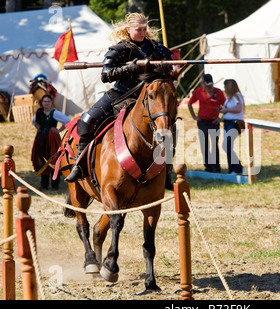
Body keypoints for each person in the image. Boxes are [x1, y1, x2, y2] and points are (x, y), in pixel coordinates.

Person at [65, 12, 173, 183]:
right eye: (138, 29)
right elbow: (106, 75)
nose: (142, 33)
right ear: (129, 29)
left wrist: (166, 66)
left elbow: (169, 67)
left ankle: (167, 168)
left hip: (149, 96)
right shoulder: (120, 49)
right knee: (87, 120)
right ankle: (80, 166)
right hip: (121, 94)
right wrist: (131, 68)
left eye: (144, 29)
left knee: (168, 124)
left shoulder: (156, 48)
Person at [187, 74, 226, 173]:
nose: (208, 87)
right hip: (202, 122)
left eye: (209, 85)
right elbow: (190, 103)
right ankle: (208, 167)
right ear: (203, 84)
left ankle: (216, 168)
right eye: (206, 84)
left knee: (214, 145)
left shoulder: (218, 92)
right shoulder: (198, 91)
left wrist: (221, 118)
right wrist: (194, 116)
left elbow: (226, 106)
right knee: (204, 145)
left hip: (213, 122)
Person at [31, 94, 70, 190]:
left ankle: (54, 184)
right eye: (45, 101)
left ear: (51, 102)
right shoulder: (39, 112)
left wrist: (59, 130)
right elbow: (34, 122)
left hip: (52, 138)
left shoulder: (54, 113)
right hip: (40, 139)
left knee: (53, 159)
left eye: (48, 101)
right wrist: (39, 129)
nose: (47, 103)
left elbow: (67, 121)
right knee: (42, 159)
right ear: (42, 103)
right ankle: (44, 185)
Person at [219, 79, 244, 174]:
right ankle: (233, 168)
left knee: (226, 145)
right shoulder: (229, 98)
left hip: (234, 123)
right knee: (227, 146)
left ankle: (237, 168)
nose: (224, 88)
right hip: (228, 123)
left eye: (225, 86)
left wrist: (226, 110)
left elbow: (238, 109)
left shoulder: (237, 96)